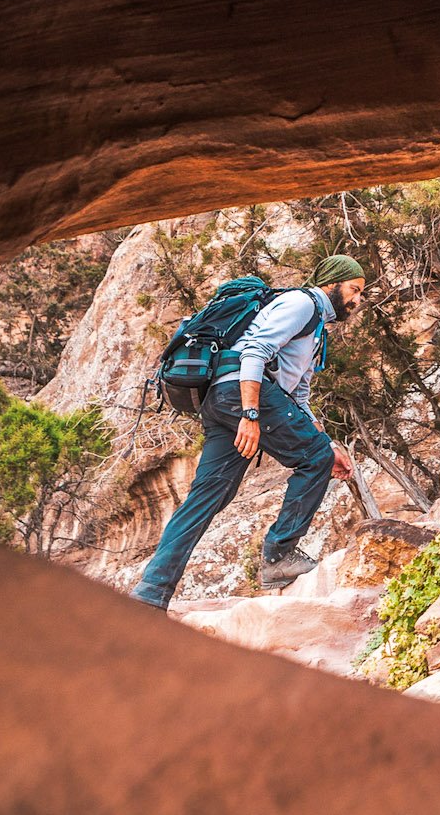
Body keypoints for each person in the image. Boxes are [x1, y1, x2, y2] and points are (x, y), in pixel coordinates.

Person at [131, 255, 368, 609]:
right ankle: (278, 557)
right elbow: (254, 353)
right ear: (332, 282)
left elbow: (298, 396)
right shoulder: (301, 303)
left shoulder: (316, 327)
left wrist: (327, 443)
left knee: (207, 498)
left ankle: (150, 593)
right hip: (241, 393)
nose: (357, 301)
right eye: (354, 290)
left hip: (223, 399)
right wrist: (250, 413)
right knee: (314, 458)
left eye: (361, 294)